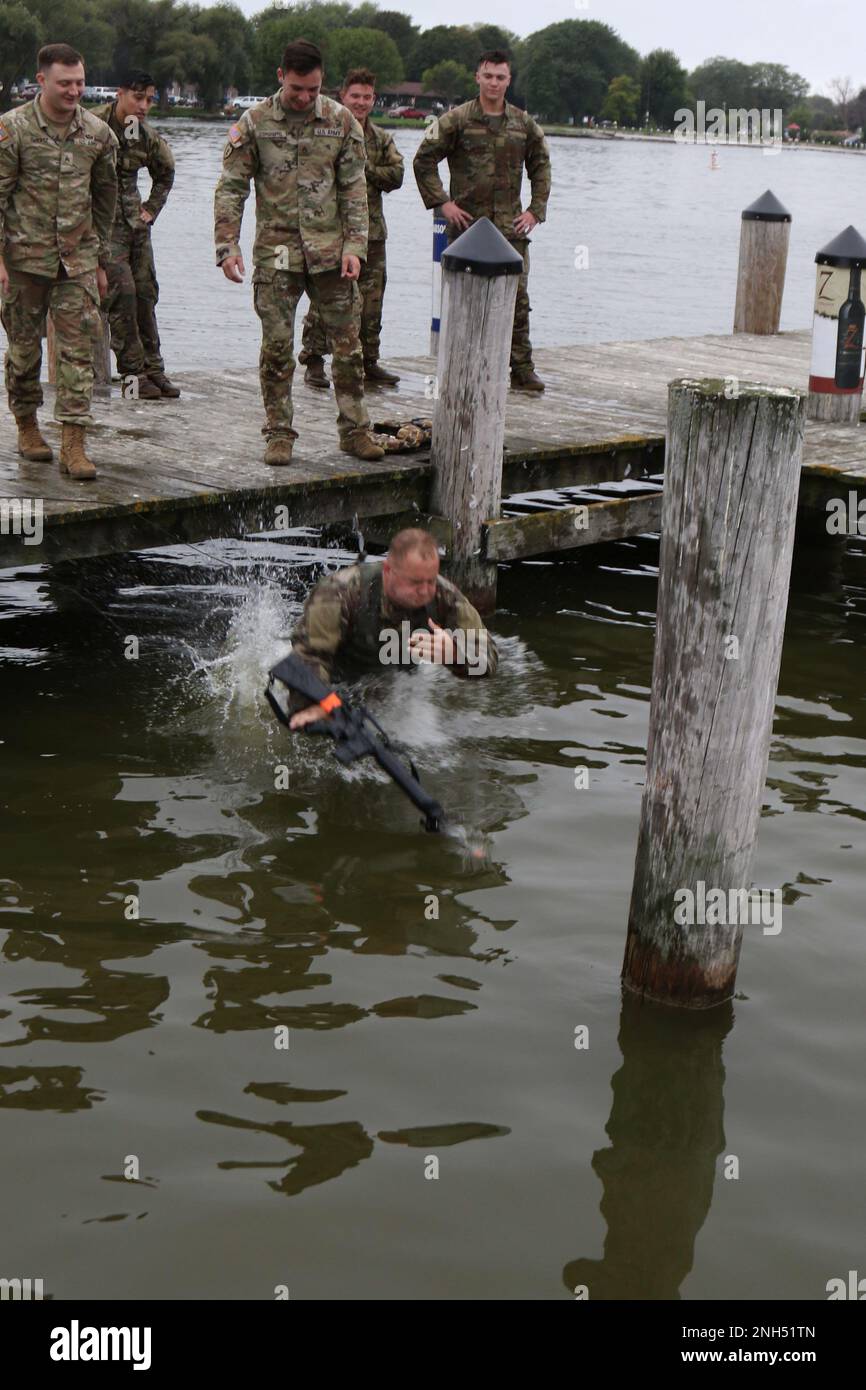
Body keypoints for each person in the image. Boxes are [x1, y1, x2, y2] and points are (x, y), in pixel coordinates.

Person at [213, 38, 384, 466]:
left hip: (332, 254)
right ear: (280, 78)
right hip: (278, 254)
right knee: (276, 347)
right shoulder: (253, 124)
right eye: (296, 90)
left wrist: (356, 246)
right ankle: (279, 433)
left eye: (313, 89)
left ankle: (354, 431)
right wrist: (226, 243)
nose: (305, 98)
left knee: (349, 346)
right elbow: (231, 187)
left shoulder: (343, 122)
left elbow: (354, 189)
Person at [0, 42, 118, 479]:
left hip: (77, 260)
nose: (74, 91)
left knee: (79, 350)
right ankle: (28, 425)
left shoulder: (98, 134)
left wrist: (101, 260)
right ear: (42, 81)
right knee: (24, 350)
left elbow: (106, 200)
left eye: (80, 83)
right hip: (23, 260)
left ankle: (73, 441)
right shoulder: (13, 130)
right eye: (65, 83)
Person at [413, 48, 551, 392]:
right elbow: (423, 160)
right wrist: (442, 203)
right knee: (462, 300)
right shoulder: (455, 120)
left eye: (500, 77)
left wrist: (536, 209)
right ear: (478, 77)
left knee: (517, 300)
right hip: (466, 228)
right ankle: (460, 366)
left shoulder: (524, 124)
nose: (494, 82)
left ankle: (521, 368)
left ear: (509, 80)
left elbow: (541, 165)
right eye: (488, 76)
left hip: (509, 228)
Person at [287, 527, 498, 728]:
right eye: (415, 583)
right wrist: (317, 703)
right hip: (338, 684)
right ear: (388, 571)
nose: (425, 591)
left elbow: (488, 659)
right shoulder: (339, 592)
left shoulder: (445, 596)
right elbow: (308, 658)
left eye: (431, 581)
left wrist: (455, 653)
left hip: (393, 692)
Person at [299, 68, 404, 390]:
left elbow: (396, 175)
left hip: (372, 234)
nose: (361, 102)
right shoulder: (325, 132)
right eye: (355, 96)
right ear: (342, 96)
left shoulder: (380, 138)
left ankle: (368, 361)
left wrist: (362, 169)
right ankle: (314, 360)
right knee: (325, 300)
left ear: (374, 100)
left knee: (372, 301)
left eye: (367, 97)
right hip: (332, 232)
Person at [91, 71, 179, 400]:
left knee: (145, 294)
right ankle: (132, 376)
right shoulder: (93, 125)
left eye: (149, 100)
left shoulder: (143, 135)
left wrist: (151, 209)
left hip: (135, 227)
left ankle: (154, 370)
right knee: (122, 296)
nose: (143, 106)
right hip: (103, 229)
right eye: (137, 98)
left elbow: (166, 170)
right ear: (120, 94)